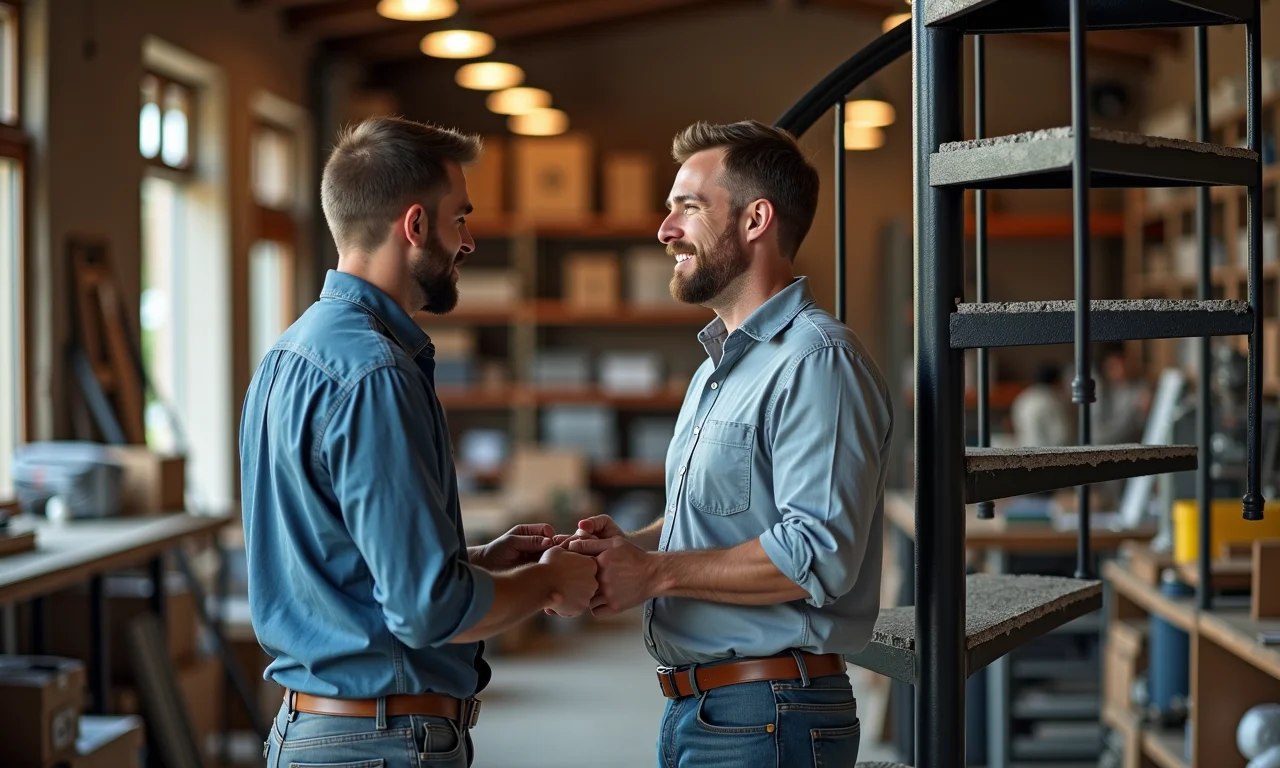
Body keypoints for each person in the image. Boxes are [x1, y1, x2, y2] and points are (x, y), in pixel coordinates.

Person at [239, 116, 598, 768]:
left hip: (322, 730)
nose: (468, 241)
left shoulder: (289, 355)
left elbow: (346, 569)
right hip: (378, 742)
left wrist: (480, 562)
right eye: (459, 219)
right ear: (414, 226)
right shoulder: (376, 374)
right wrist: (548, 582)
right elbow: (425, 610)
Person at [561, 120, 894, 768]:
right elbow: (727, 522)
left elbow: (818, 553)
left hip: (771, 713)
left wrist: (655, 574)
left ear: (755, 220)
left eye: (687, 207)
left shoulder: (816, 361)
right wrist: (633, 547)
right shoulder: (719, 369)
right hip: (708, 711)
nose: (665, 230)